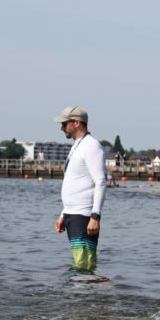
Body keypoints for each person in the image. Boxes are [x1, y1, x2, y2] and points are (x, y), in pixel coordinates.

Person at [53, 106, 107, 272]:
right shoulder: (78, 145)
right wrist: (64, 213)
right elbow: (75, 182)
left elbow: (101, 181)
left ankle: (87, 295)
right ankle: (81, 296)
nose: (61, 127)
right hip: (72, 214)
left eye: (64, 123)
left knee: (84, 266)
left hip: (84, 216)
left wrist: (95, 216)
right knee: (81, 264)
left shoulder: (91, 146)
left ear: (76, 123)